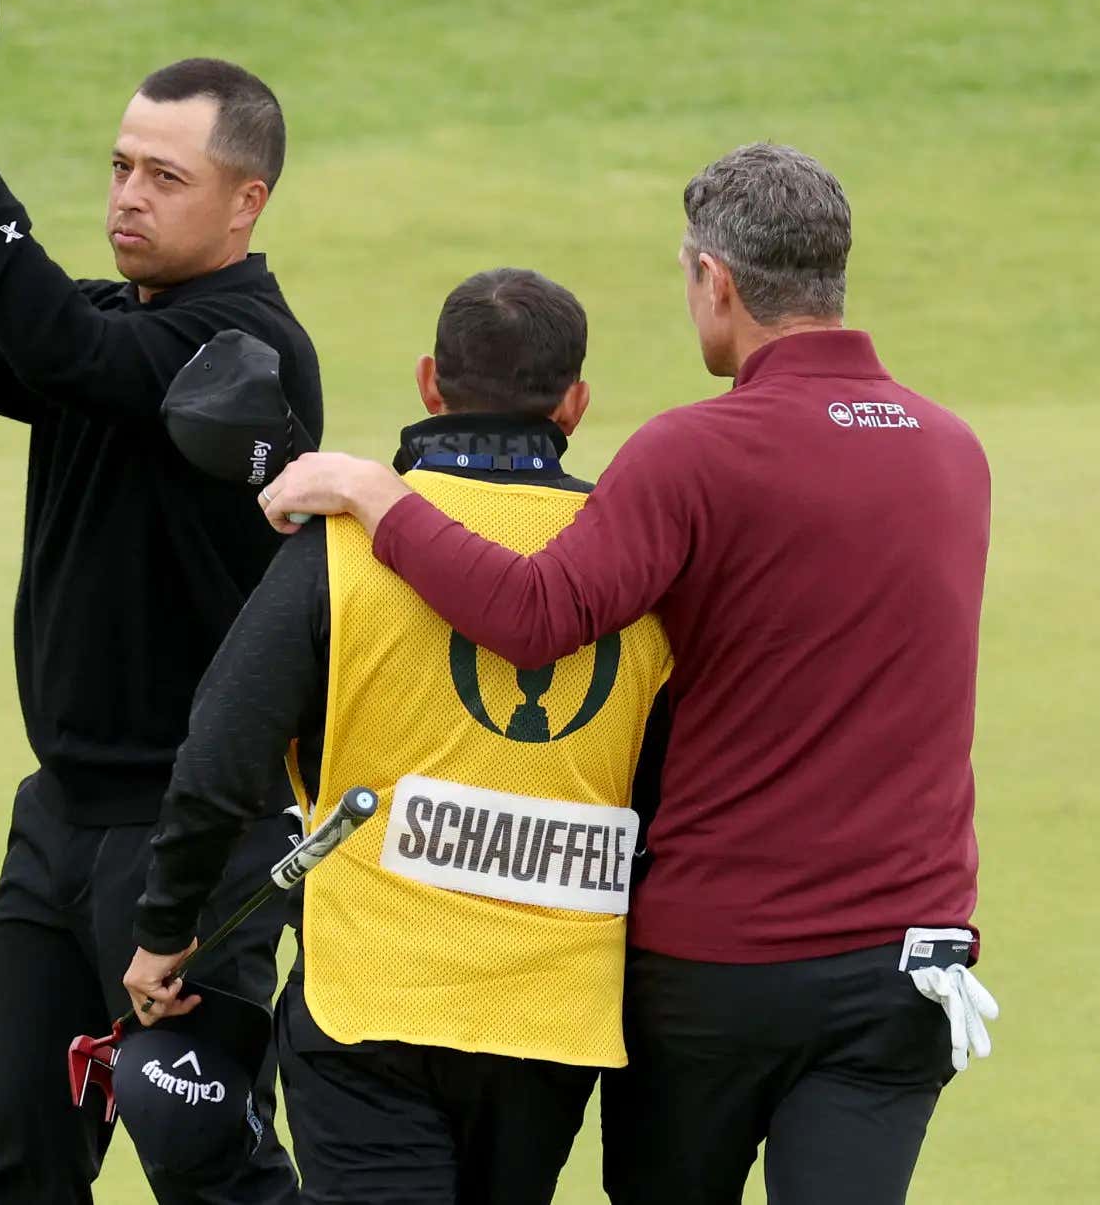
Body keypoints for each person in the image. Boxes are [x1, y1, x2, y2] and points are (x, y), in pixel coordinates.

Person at [257, 144, 997, 1205]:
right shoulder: (950, 450)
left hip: (718, 971)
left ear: (716, 282)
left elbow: (534, 617)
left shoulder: (693, 451)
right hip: (904, 965)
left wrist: (380, 497)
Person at [0, 32, 319, 1204]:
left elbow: (62, 340)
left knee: (205, 1167)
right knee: (20, 1159)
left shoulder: (243, 358)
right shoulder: (112, 332)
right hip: (57, 820)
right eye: (119, 167)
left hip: (191, 841)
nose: (126, 196)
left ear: (245, 202)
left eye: (165, 178)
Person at [122, 269, 673, 1205]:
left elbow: (219, 759)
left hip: (369, 1004)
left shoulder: (338, 546)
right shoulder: (634, 571)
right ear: (574, 405)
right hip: (552, 1019)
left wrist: (167, 929)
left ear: (430, 384)